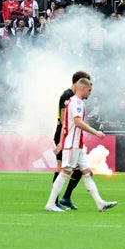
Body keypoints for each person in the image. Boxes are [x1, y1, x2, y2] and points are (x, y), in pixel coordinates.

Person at [45, 78, 118, 212]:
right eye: (89, 90)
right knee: (64, 173)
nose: (90, 93)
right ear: (83, 88)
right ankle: (50, 204)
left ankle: (100, 203)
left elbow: (65, 125)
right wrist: (96, 133)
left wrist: (61, 142)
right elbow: (78, 122)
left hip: (77, 145)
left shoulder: (72, 102)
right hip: (73, 144)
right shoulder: (77, 102)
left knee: (87, 173)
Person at [51, 71, 91, 210]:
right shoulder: (67, 96)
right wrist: (62, 140)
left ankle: (66, 197)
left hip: (72, 136)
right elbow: (64, 120)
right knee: (61, 167)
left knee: (81, 168)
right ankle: (55, 201)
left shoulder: (75, 98)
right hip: (65, 135)